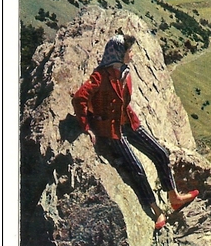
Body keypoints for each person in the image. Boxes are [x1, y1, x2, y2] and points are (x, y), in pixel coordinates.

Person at [72, 33, 198, 230]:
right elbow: (79, 98)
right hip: (111, 129)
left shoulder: (124, 72)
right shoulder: (100, 76)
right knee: (137, 169)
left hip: (127, 121)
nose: (132, 55)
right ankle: (157, 211)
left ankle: (174, 197)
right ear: (119, 54)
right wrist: (86, 127)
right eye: (129, 52)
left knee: (160, 153)